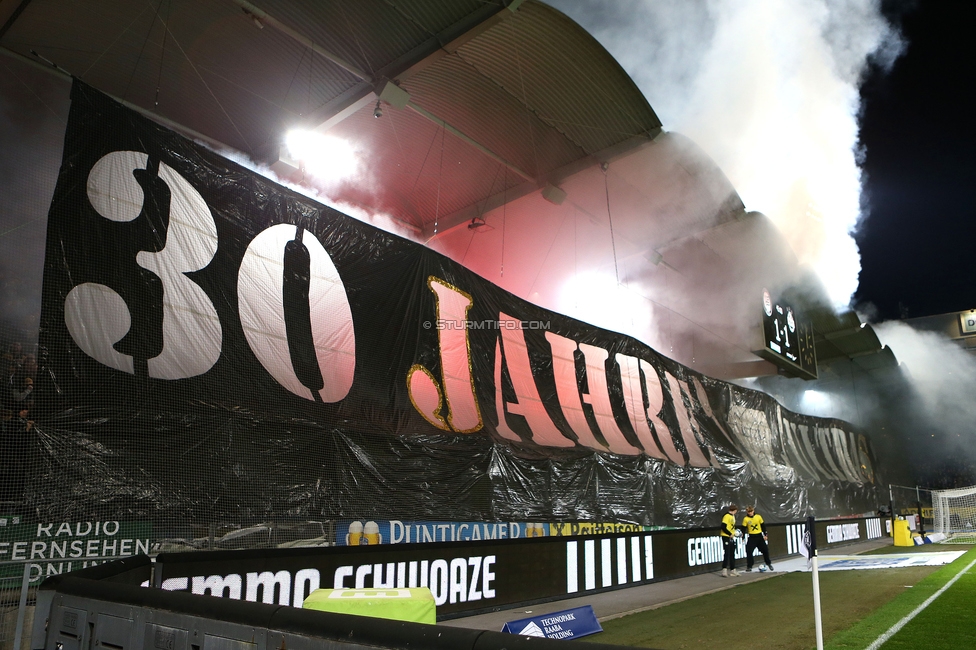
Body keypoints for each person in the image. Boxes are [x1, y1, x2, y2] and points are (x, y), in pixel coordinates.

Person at [742, 505, 774, 572]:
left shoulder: (758, 517)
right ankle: (749, 566)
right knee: (749, 551)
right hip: (752, 537)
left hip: (759, 536)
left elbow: (763, 526)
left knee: (765, 550)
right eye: (749, 512)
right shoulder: (745, 519)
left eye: (751, 511)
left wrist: (765, 535)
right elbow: (743, 529)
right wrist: (743, 537)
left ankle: (768, 563)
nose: (750, 513)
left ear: (753, 511)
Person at [720, 504, 740, 577]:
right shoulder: (726, 516)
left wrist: (735, 533)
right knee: (727, 553)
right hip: (726, 536)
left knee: (732, 553)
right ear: (734, 510)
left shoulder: (732, 517)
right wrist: (729, 533)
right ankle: (724, 570)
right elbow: (723, 527)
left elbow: (732, 527)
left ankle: (732, 569)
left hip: (731, 537)